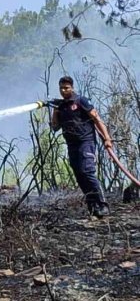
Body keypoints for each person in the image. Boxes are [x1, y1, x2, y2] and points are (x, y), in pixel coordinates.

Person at [50, 76, 113, 217]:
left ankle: (103, 205)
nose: (63, 91)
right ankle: (93, 206)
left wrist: (107, 138)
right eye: (61, 88)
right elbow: (55, 127)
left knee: (87, 171)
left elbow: (97, 119)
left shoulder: (81, 101)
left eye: (66, 88)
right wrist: (55, 111)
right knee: (79, 175)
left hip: (86, 141)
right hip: (71, 144)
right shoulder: (60, 107)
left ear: (72, 88)